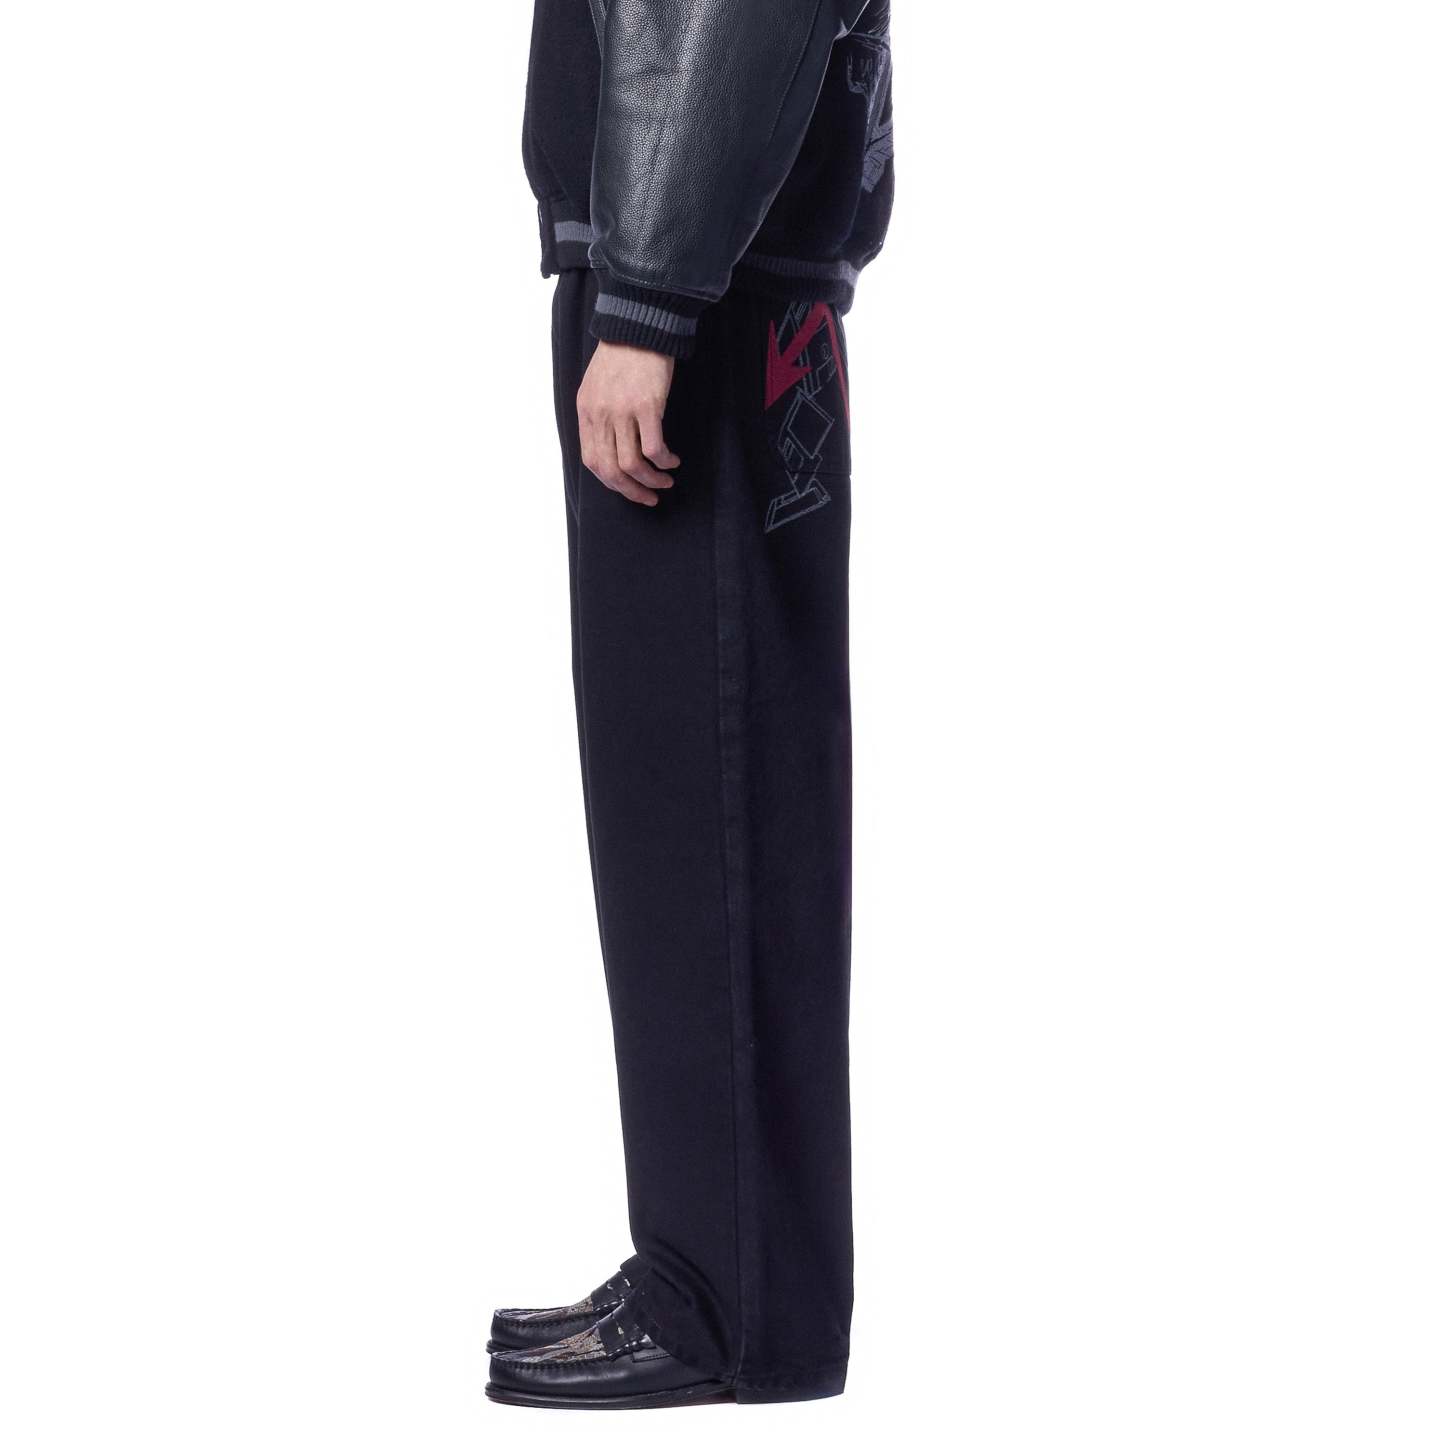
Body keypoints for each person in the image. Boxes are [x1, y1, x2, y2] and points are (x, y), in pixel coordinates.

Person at [486, 0, 895, 1410]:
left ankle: (725, 1307)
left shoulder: (667, 297)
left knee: (705, 796)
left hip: (698, 292)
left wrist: (648, 300)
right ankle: (721, 1282)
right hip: (719, 271)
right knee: (717, 793)